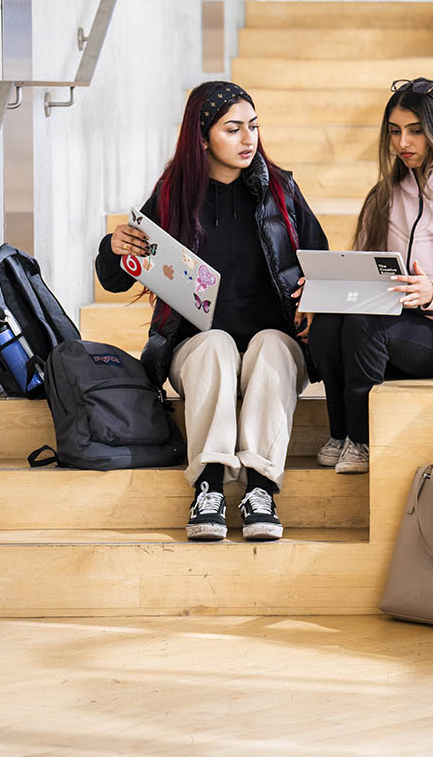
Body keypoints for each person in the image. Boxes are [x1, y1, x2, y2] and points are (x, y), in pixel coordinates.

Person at [95, 81, 328, 542]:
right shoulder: (173, 193)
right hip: (196, 347)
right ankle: (210, 488)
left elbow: (320, 261)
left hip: (275, 344)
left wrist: (312, 301)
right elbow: (118, 277)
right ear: (202, 138)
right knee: (216, 346)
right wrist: (113, 247)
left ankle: (261, 489)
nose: (248, 140)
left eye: (254, 127)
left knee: (269, 346)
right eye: (233, 129)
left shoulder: (280, 190)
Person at [307, 78, 433, 474]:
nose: (404, 143)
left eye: (416, 130)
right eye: (395, 131)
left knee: (367, 322)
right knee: (329, 323)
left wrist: (432, 292)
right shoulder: (384, 196)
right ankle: (342, 433)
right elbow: (360, 277)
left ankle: (363, 440)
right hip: (388, 331)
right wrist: (323, 296)